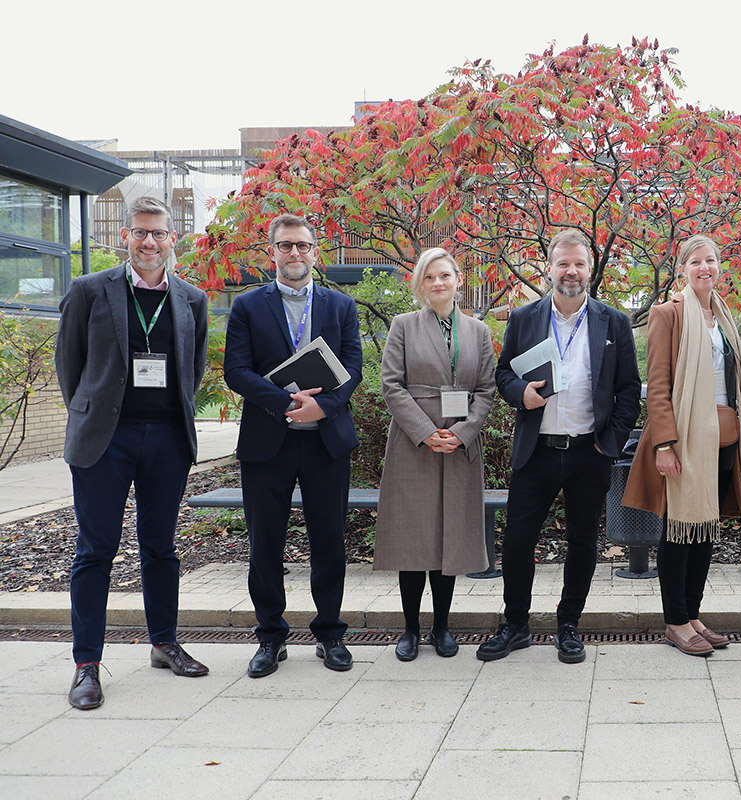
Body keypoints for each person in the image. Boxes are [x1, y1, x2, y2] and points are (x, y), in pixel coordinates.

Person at [55, 195, 210, 710]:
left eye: (158, 233)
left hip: (166, 438)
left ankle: (164, 643)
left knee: (160, 547)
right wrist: (93, 413)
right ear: (125, 237)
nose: (149, 242)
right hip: (107, 439)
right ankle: (86, 664)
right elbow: (69, 367)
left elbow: (194, 369)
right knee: (96, 549)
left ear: (172, 239)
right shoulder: (88, 291)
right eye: (140, 233)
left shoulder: (191, 299)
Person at [477, 229, 641, 664]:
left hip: (591, 451)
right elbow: (504, 374)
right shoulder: (524, 318)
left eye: (579, 264)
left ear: (590, 269)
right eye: (563, 263)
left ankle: (569, 625)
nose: (571, 271)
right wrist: (520, 395)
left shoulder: (614, 322)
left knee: (583, 541)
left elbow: (629, 390)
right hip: (538, 450)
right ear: (549, 268)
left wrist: (612, 441)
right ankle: (515, 625)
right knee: (517, 541)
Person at [224, 213, 363, 677]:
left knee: (329, 542)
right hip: (268, 442)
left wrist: (324, 407)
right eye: (286, 246)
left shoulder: (341, 306)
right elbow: (236, 370)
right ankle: (270, 637)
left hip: (326, 441)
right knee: (265, 544)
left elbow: (353, 368)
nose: (295, 253)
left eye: (303, 245)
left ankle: (330, 634)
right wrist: (284, 400)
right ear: (273, 252)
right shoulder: (247, 306)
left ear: (315, 251)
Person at [623, 235, 741, 656]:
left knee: (704, 528)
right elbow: (659, 383)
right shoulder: (668, 314)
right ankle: (675, 621)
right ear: (683, 268)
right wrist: (664, 444)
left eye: (712, 260)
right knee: (679, 530)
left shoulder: (721, 315)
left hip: (722, 442)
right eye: (696, 261)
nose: (706, 268)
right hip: (684, 440)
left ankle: (694, 614)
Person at [374, 248, 496, 661]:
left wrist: (461, 434)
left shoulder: (477, 331)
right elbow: (392, 385)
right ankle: (410, 629)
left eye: (445, 275)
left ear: (458, 279)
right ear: (420, 285)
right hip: (414, 445)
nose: (438, 284)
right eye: (430, 278)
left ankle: (442, 628)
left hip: (459, 446)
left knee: (449, 538)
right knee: (414, 539)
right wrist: (427, 433)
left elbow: (486, 390)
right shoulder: (403, 326)